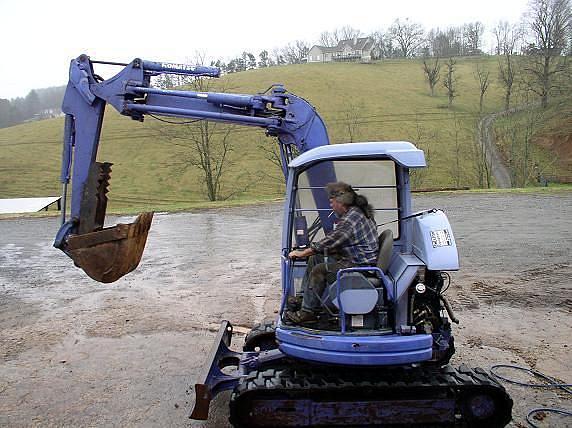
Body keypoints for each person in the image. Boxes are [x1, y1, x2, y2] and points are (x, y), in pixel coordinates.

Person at [285, 182, 379, 324]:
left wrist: (301, 253)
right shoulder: (357, 211)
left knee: (319, 270)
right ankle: (304, 298)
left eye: (331, 202)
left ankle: (307, 313)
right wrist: (312, 250)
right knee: (316, 257)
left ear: (340, 202)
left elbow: (331, 241)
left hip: (360, 266)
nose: (331, 206)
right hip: (357, 258)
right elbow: (336, 242)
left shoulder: (350, 219)